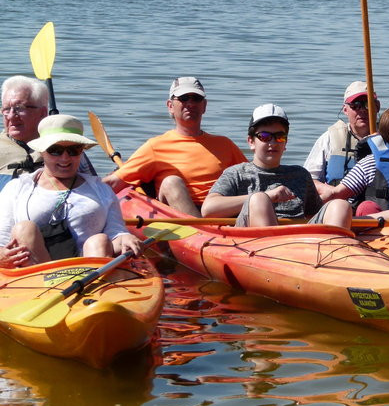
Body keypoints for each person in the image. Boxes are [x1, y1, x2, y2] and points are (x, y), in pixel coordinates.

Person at [0, 115, 141, 268]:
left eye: (73, 150)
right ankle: (47, 280)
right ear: (41, 152)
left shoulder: (101, 189)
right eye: (55, 150)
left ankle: (95, 285)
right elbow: (2, 240)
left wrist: (125, 237)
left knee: (99, 240)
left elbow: (116, 232)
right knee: (24, 229)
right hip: (34, 274)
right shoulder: (17, 188)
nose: (65, 158)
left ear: (81, 151)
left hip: (87, 272)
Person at [103, 77, 247, 217]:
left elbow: (253, 176)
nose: (190, 104)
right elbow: (113, 182)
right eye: (184, 98)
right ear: (170, 106)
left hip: (220, 212)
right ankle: (202, 232)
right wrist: (83, 187)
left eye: (196, 99)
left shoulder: (225, 144)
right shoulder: (155, 147)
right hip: (182, 217)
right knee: (171, 182)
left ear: (204, 106)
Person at [202, 104, 352, 228]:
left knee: (340, 205)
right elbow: (208, 210)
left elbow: (314, 214)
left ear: (285, 143)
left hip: (300, 243)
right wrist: (269, 196)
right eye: (265, 137)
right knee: (259, 199)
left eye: (280, 137)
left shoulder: (300, 174)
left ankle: (334, 254)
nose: (272, 143)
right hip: (253, 243)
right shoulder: (237, 173)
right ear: (251, 141)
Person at [1, 75, 93, 190]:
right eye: (6, 109)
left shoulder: (68, 146)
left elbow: (92, 188)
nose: (11, 116)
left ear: (42, 113)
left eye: (19, 108)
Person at [304, 80, 379, 199]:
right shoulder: (329, 138)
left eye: (368, 104)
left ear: (377, 107)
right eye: (356, 105)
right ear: (345, 110)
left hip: (377, 209)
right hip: (338, 206)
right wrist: (335, 192)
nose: (363, 110)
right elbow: (308, 179)